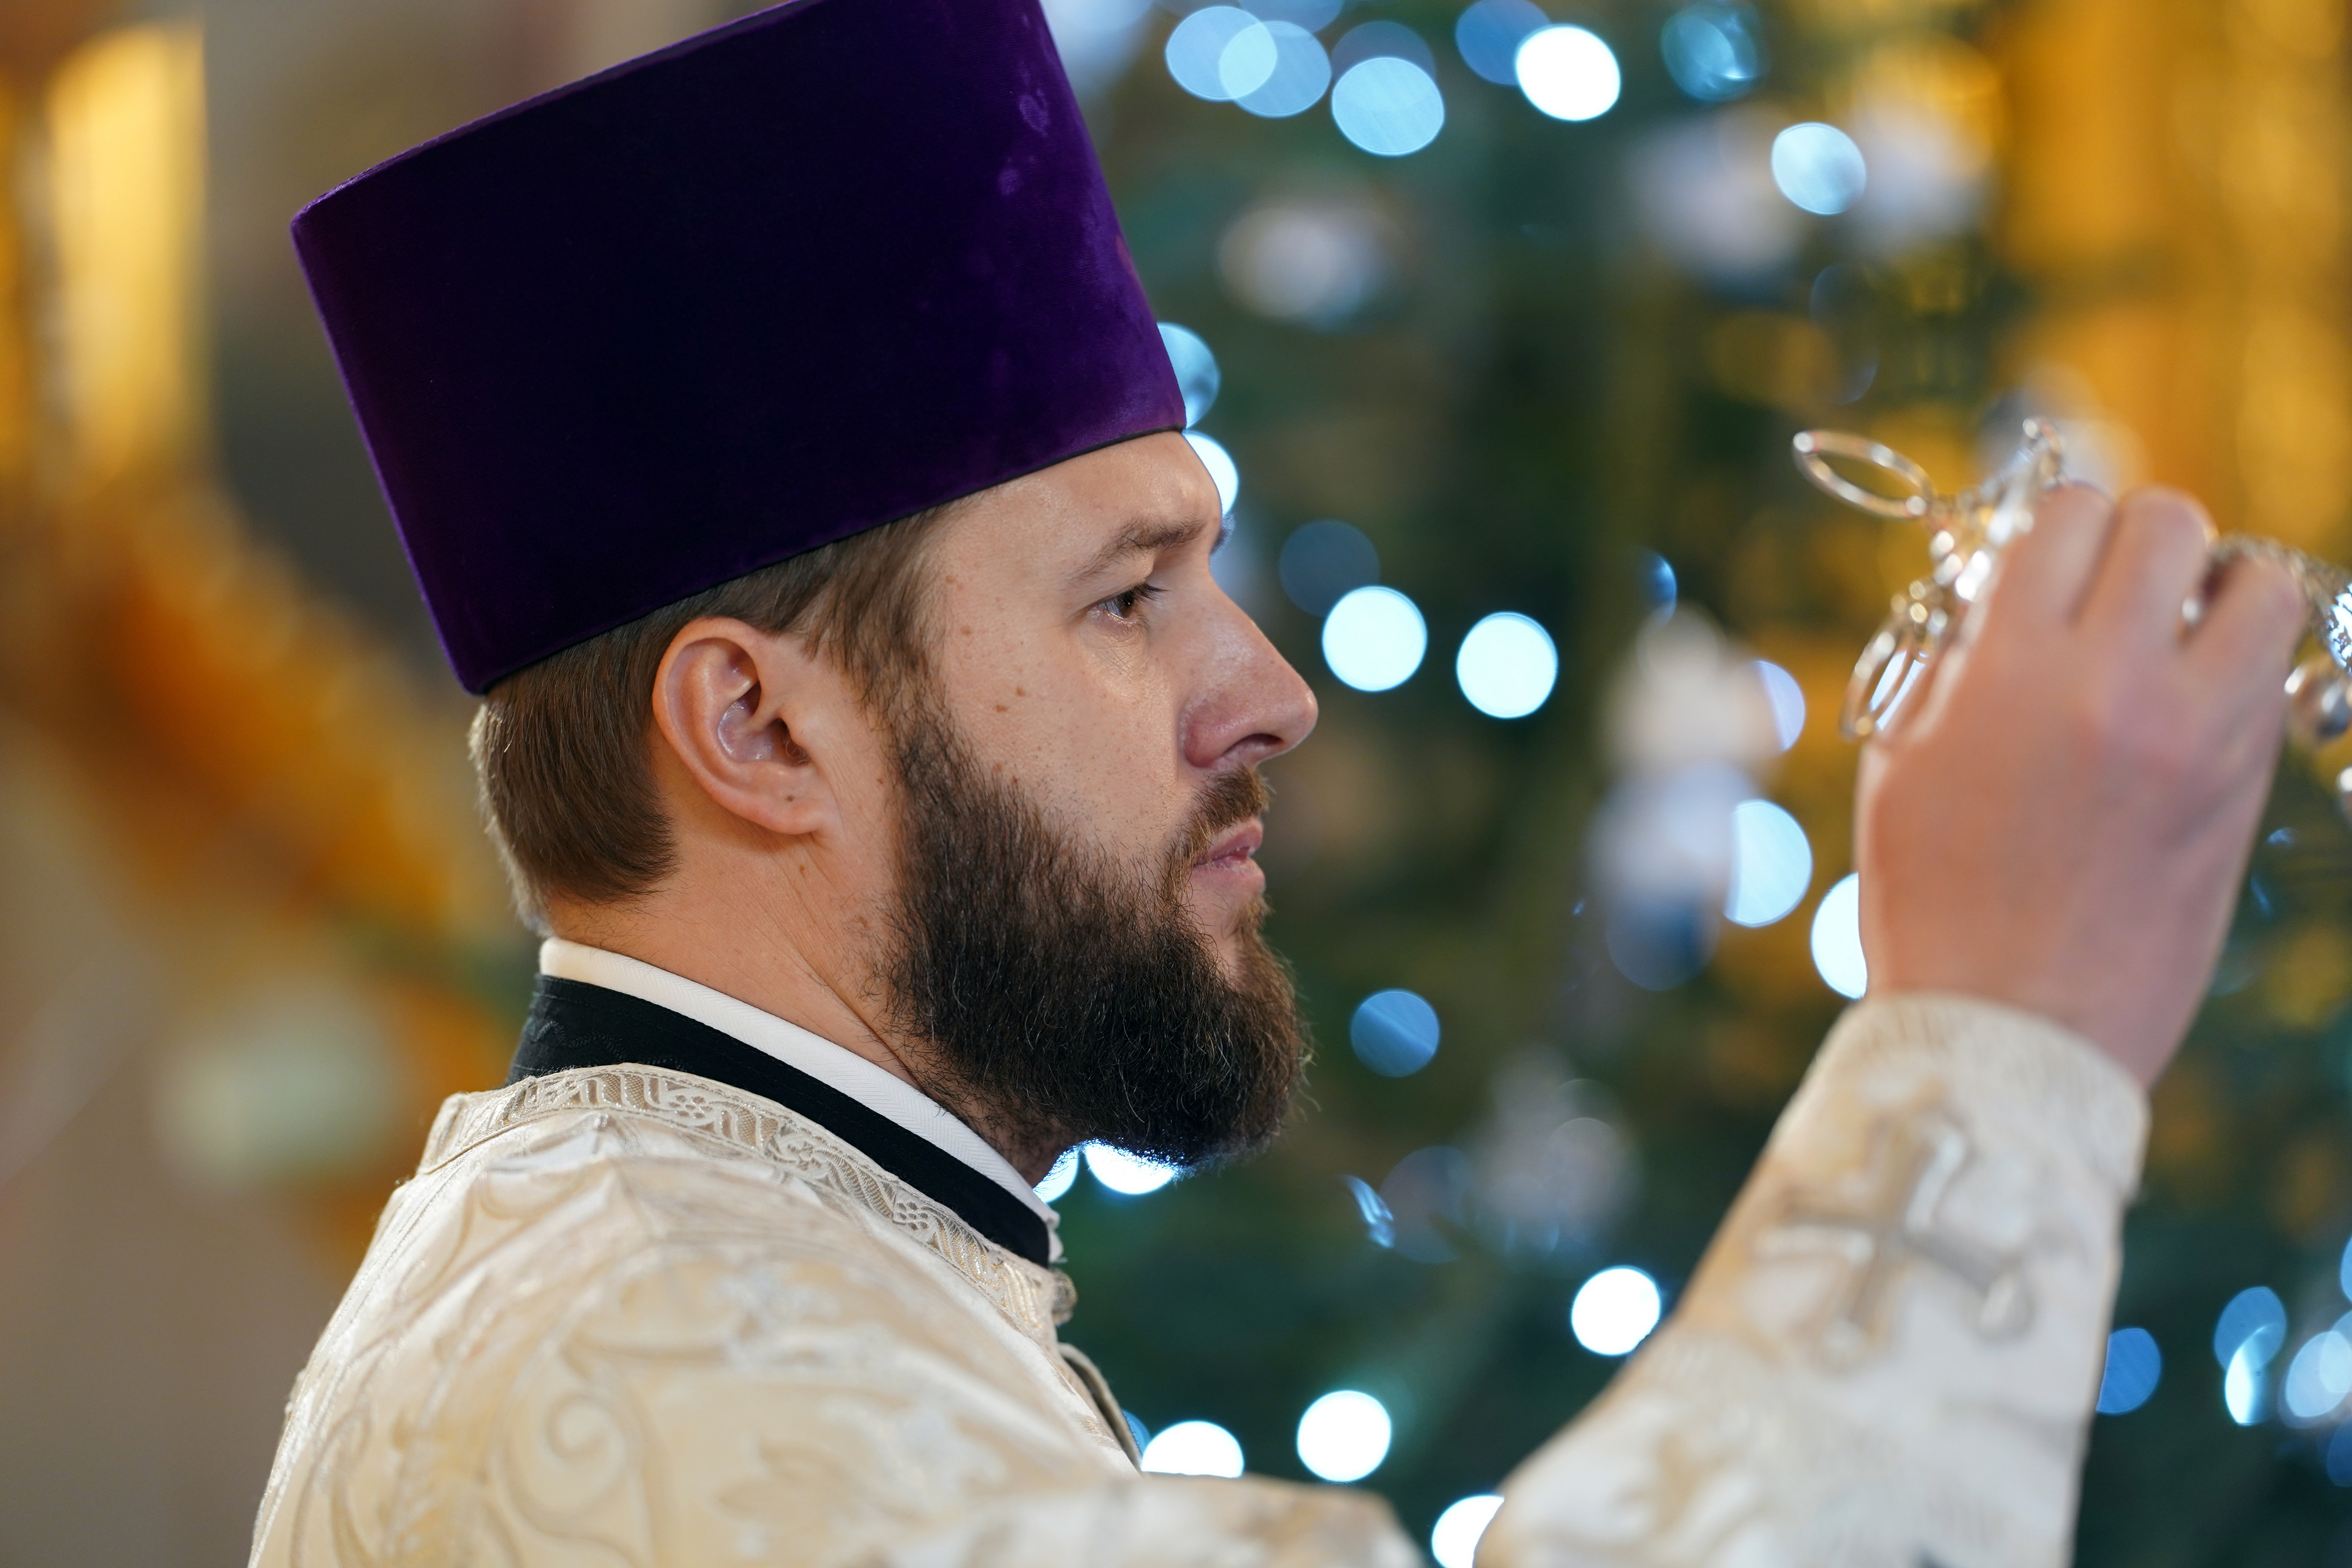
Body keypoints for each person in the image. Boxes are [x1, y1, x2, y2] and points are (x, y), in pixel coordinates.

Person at [247, 0, 2307, 1562]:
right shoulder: (676, 1377)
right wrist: (1994, 1039)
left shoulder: (722, 1271)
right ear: (760, 730)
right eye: (1128, 596)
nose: (1269, 691)